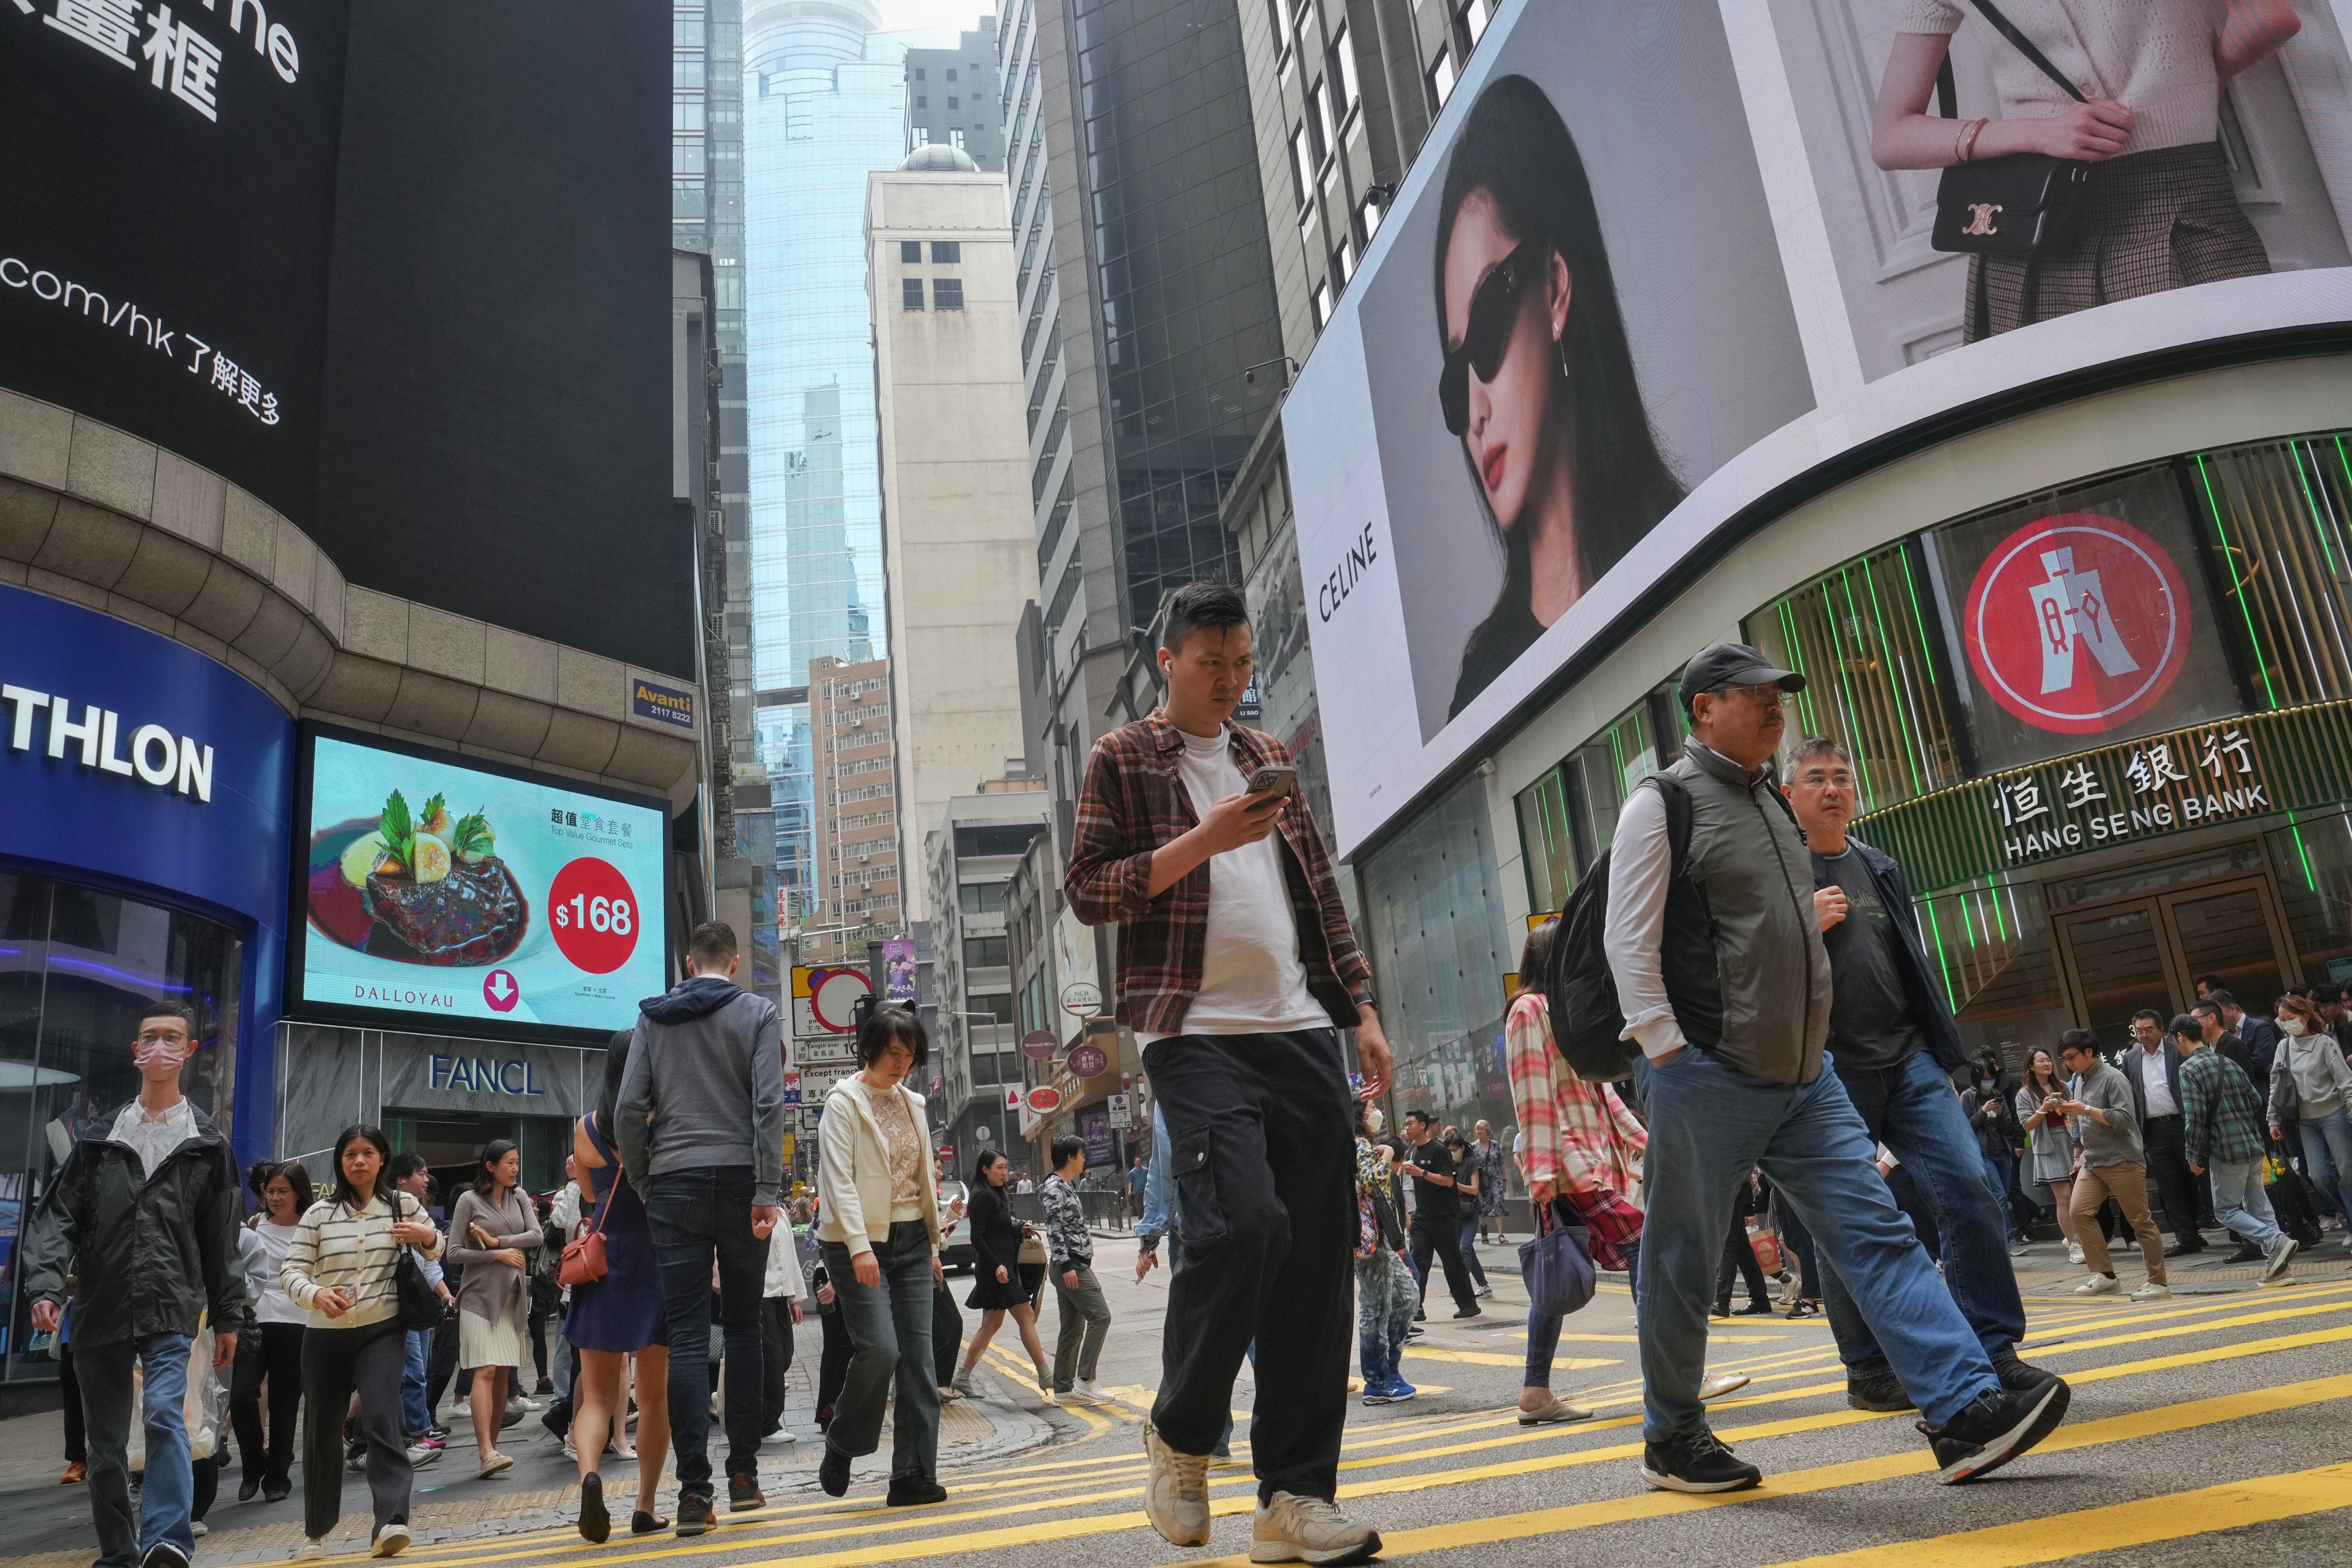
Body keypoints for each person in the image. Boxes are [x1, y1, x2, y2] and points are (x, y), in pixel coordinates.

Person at [1605, 643, 2068, 1494]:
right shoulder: (1660, 803)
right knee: (1681, 1255)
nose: (1772, 707)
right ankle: (1672, 1435)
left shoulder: (1774, 811)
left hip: (1804, 1074)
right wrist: (1668, 1048)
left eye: (1777, 693)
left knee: (1877, 1231)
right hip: (1706, 1071)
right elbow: (1626, 940)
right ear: (1703, 707)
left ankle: (1963, 1408)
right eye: (1753, 696)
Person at [1066, 577, 1392, 1562]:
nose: (1232, 682)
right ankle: (1181, 1431)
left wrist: (1362, 1010)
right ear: (1168, 662)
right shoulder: (1121, 757)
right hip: (1191, 1030)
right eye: (1213, 664)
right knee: (1244, 1225)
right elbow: (1087, 890)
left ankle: (1294, 1500)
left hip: (1299, 1029)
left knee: (1312, 1270)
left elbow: (1321, 895)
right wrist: (1199, 843)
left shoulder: (1263, 754)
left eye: (1243, 663)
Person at [1780, 736, 2046, 1414]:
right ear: (1790, 794)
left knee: (1970, 1188)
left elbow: (1908, 959)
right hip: (1829, 1068)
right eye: (1817, 778)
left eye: (1843, 777)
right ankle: (1868, 1368)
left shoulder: (1878, 863)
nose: (1833, 788)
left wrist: (1936, 1042)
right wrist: (1795, 928)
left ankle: (1994, 1350)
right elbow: (1739, 967)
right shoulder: (1773, 872)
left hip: (1909, 1057)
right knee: (1845, 1218)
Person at [1431, 74, 1686, 718]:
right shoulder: (1485, 689)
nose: (1475, 413)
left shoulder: (1688, 550)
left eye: (1485, 332)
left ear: (1555, 285)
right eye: (1453, 377)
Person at [1868, 1, 2300, 341]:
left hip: (2037, 236)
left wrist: (2041, 133)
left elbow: (1892, 135)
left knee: (2073, 433)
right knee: (2221, 407)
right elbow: (2270, 18)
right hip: (2173, 207)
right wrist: (2195, 85)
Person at [22, 999, 248, 1568]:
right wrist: (45, 1288)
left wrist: (228, 1316)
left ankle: (168, 1539)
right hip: (99, 1308)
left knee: (165, 1417)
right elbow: (58, 1218)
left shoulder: (208, 1146)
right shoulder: (99, 1141)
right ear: (135, 1050)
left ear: (190, 1050)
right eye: (151, 1036)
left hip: (172, 1307)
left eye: (173, 1037)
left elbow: (221, 1237)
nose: (161, 1046)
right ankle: (120, 1554)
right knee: (104, 1448)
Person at [615, 920, 787, 1536]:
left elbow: (629, 1108)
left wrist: (643, 1178)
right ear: (733, 963)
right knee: (742, 1329)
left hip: (674, 1186)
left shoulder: (653, 1018)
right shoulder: (759, 1014)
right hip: (743, 1184)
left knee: (687, 1338)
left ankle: (693, 1496)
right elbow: (770, 1103)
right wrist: (769, 1188)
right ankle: (744, 1477)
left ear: (690, 964)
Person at [280, 1125, 442, 1561]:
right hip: (324, 1335)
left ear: (382, 1159)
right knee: (320, 1431)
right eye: (350, 1154)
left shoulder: (402, 1204)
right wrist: (315, 1294)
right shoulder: (317, 1214)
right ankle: (316, 1534)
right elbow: (291, 1270)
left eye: (367, 1153)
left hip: (382, 1329)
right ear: (340, 1161)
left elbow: (436, 1246)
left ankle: (391, 1521)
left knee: (379, 1416)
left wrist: (425, 1237)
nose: (358, 1161)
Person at [814, 1003, 947, 1507]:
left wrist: (932, 1246)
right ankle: (843, 1439)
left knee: (919, 1361)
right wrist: (859, 1245)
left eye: (910, 1056)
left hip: (912, 1242)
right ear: (870, 1048)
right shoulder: (843, 1101)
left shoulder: (913, 1102)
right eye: (894, 1053)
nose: (901, 1064)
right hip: (857, 1245)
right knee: (881, 1351)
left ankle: (911, 1475)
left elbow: (921, 1180)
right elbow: (838, 1181)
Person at [567, 1033, 677, 1543]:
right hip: (656, 1263)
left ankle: (590, 1473)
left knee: (596, 1396)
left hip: (605, 1264)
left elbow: (592, 1196)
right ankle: (645, 1506)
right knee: (653, 1398)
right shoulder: (665, 1123)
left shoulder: (585, 1129)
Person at [2175, 1014, 2300, 1282]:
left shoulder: (2188, 1070)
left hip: (2225, 1150)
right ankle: (2279, 1270)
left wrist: (2192, 1152)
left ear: (2180, 1038)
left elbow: (2194, 1116)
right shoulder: (2227, 1062)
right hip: (2252, 1145)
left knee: (2225, 1210)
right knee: (2259, 1206)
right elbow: (2256, 1099)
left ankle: (2275, 1239)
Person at [446, 1141, 539, 1479]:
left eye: (517, 1163)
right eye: (509, 1163)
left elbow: (537, 1236)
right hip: (478, 1297)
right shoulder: (468, 1201)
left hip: (511, 1296)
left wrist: (500, 1243)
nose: (515, 1169)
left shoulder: (520, 1197)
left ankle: (493, 1448)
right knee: (484, 1369)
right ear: (490, 1165)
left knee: (503, 1372)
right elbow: (453, 1251)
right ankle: (486, 1452)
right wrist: (493, 1256)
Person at [2056, 1030, 2168, 1297]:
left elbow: (2125, 1120)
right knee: (2078, 1212)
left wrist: (2085, 1109)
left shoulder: (2113, 1078)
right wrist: (2079, 1153)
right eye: (2065, 1059)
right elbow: (2082, 1121)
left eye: (2072, 1057)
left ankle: (2158, 1282)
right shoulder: (2078, 1079)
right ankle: (2105, 1275)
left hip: (2122, 1159)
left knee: (2140, 1221)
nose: (2068, 1064)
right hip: (2093, 1161)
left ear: (2089, 1052)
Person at [231, 1161, 315, 1503]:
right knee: (239, 1394)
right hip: (254, 1320)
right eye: (270, 1191)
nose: (275, 1198)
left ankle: (278, 1475)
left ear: (299, 1193)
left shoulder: (313, 1227)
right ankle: (253, 1462)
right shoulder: (253, 1226)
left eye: (283, 1191)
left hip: (298, 1321)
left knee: (284, 1403)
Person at [952, 1151, 1051, 1399]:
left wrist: (1019, 1227)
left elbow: (999, 1228)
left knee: (991, 1325)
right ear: (985, 1169)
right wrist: (996, 1265)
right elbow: (977, 1236)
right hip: (995, 1270)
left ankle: (962, 1377)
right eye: (999, 1168)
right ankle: (1046, 1374)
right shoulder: (981, 1197)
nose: (1004, 1172)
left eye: (1006, 1168)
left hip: (1002, 1268)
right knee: (1026, 1315)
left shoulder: (995, 1193)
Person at [2121, 1009, 2207, 1258]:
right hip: (2153, 1129)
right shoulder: (2131, 1058)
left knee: (2195, 1178)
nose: (2144, 1035)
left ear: (2161, 1030)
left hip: (2182, 1123)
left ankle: (2198, 1230)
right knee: (2169, 1185)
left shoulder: (2176, 1051)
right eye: (2139, 1031)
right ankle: (2186, 1237)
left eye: (2149, 1030)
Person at [2266, 991, 2352, 1239]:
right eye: (2281, 1019)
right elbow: (2276, 1086)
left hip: (2334, 1114)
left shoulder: (2325, 1044)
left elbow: (2345, 1081)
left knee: (2347, 1173)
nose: (2285, 1023)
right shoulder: (2284, 1047)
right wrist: (2273, 1119)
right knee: (2317, 1176)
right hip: (2305, 1121)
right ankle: (2349, 1214)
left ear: (2304, 1017)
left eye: (2289, 1017)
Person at [384, 1154, 451, 1463]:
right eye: (421, 1173)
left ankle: (419, 1429)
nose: (426, 1180)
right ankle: (419, 1435)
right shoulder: (396, 1208)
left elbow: (430, 1258)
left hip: (419, 1301)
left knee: (418, 1368)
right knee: (412, 1370)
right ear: (401, 1179)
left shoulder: (415, 1211)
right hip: (400, 1302)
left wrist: (443, 1293)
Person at [1350, 1103, 1419, 1407]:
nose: (1377, 1110)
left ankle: (1390, 1370)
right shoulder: (1357, 1143)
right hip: (1369, 1240)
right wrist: (1389, 1156)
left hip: (1381, 1238)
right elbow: (1375, 1180)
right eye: (1372, 1106)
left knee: (1407, 1296)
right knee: (1375, 1306)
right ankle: (1377, 1382)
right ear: (1360, 1116)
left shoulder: (1362, 1145)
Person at [1041, 1136, 1112, 1407]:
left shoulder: (1065, 1186)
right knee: (1101, 1316)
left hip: (1072, 1264)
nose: (1085, 1159)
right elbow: (1053, 1229)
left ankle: (1062, 1389)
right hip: (1071, 1265)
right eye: (1082, 1154)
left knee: (1072, 1328)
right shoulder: (1054, 1189)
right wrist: (1067, 1265)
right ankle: (1086, 1380)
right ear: (1070, 1157)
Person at [1399, 1112, 1480, 1319]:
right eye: (1406, 1124)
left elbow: (1449, 1181)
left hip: (1444, 1217)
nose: (1407, 1127)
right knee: (1418, 1263)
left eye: (1411, 1123)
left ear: (1423, 1125)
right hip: (1422, 1217)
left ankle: (1469, 1305)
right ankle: (1416, 1308)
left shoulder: (1439, 1150)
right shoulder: (1413, 1151)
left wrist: (1422, 1173)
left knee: (1452, 1263)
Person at [2015, 1049, 2084, 1266]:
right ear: (2031, 1066)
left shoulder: (2062, 1086)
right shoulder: (2025, 1094)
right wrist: (2044, 1109)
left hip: (2070, 1141)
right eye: (2041, 1060)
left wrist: (2065, 1108)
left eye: (2048, 1060)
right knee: (2063, 1197)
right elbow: (2026, 1125)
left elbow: (2076, 1115)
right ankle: (2074, 1244)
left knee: (2078, 1195)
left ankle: (2076, 1236)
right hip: (2048, 1146)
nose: (2047, 1063)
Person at [761, 1213, 806, 1440]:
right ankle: (768, 1424)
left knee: (785, 1354)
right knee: (772, 1359)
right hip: (760, 1293)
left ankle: (760, 1414)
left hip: (780, 1294)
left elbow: (791, 1257)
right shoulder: (753, 1210)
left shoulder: (780, 1213)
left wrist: (795, 1298)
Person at [1444, 1131, 1493, 1297]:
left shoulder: (1472, 1163)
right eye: (1449, 1150)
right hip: (1454, 1213)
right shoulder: (1448, 1164)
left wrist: (1455, 1184)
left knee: (1464, 1248)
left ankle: (1461, 1288)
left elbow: (1474, 1190)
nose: (1452, 1152)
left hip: (1470, 1212)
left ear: (1462, 1148)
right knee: (1467, 1251)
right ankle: (1484, 1286)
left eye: (1455, 1149)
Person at [2211, 987, 2283, 1083]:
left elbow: (2260, 1062)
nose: (2217, 1019)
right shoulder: (2222, 1037)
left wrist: (2231, 1074)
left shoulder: (2259, 1027)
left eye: (2219, 1014)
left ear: (2233, 1008)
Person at [1125, 1156, 1150, 1226]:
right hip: (1137, 1192)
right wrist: (1129, 1190)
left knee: (1147, 1205)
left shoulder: (1146, 1170)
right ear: (1134, 1163)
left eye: (1139, 1161)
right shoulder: (1132, 1173)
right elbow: (1130, 1182)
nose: (1138, 1162)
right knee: (1139, 1207)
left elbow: (1149, 1179)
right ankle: (1141, 1220)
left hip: (1146, 1191)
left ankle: (1147, 1219)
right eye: (1137, 1161)